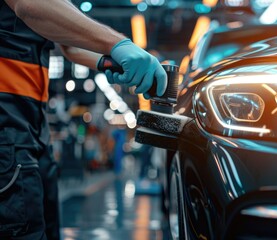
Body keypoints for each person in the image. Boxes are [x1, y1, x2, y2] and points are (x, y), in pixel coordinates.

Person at [0, 0, 167, 239]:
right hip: (6, 127)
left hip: (32, 126)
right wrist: (117, 43)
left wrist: (109, 58)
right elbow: (29, 3)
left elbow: (68, 45)